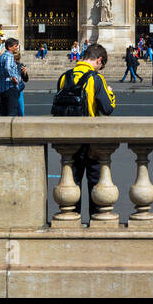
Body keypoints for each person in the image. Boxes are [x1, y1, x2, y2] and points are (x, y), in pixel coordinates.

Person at [52, 43, 116, 212]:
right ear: (99, 61)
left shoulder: (65, 76)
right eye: (101, 66)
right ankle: (96, 221)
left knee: (72, 181)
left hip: (68, 139)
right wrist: (109, 92)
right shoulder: (96, 78)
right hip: (89, 139)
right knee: (95, 181)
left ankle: (72, 220)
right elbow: (108, 108)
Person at [0, 37, 25, 116]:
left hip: (2, 87)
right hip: (10, 87)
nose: (17, 47)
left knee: (3, 111)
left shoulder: (2, 56)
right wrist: (13, 78)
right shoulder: (9, 56)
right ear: (9, 47)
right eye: (15, 46)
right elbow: (8, 67)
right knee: (12, 111)